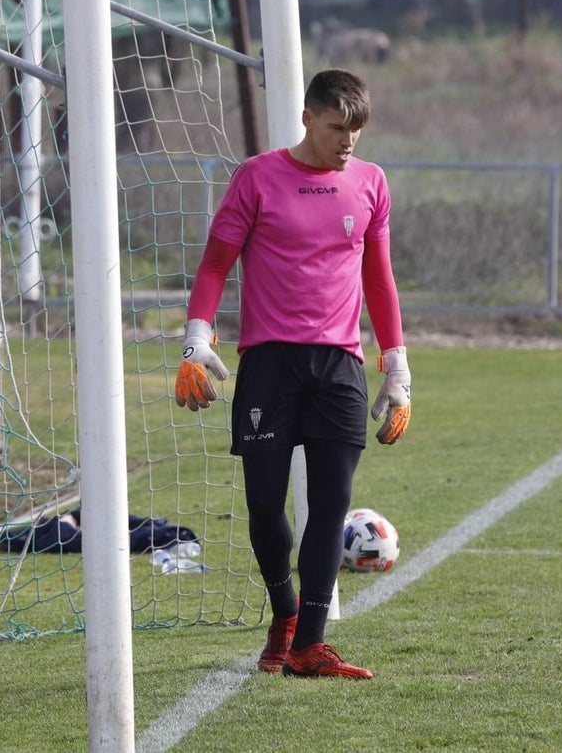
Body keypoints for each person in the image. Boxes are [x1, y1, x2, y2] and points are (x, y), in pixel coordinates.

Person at [174, 68, 412, 679]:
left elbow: (379, 279)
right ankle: (284, 612)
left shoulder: (371, 182)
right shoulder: (257, 177)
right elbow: (216, 263)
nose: (347, 142)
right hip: (270, 363)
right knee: (263, 506)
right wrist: (196, 338)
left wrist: (397, 366)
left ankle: (309, 643)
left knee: (331, 505)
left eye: (356, 130)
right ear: (307, 119)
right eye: (336, 128)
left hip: (339, 365)